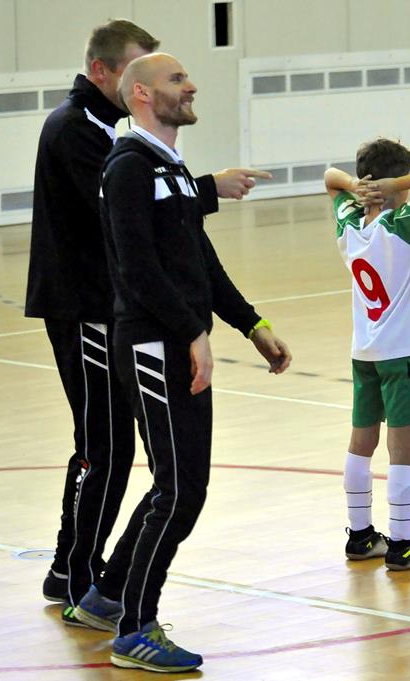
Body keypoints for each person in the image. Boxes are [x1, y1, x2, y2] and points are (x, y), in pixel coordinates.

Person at [24, 19, 271, 614]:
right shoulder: (84, 131)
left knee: (149, 463)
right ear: (108, 73)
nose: (188, 86)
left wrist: (248, 322)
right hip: (88, 308)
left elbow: (171, 232)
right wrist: (207, 188)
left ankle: (99, 583)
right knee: (103, 446)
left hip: (125, 310)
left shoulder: (132, 142)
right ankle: (75, 574)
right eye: (165, 73)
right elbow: (126, 219)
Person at [70, 53, 292, 672]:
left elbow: (199, 260)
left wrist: (251, 324)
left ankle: (107, 598)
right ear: (142, 94)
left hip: (174, 341)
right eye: (176, 80)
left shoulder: (170, 167)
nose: (191, 87)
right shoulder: (128, 166)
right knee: (180, 491)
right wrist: (193, 331)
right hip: (152, 344)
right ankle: (135, 629)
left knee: (178, 484)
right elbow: (136, 268)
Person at [325, 139, 410, 571]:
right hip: (401, 351)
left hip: (364, 349)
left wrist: (355, 186)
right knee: (403, 443)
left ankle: (361, 535)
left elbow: (330, 178)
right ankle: (402, 542)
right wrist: (396, 185)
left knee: (362, 438)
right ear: (397, 184)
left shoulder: (349, 222)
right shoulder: (401, 223)